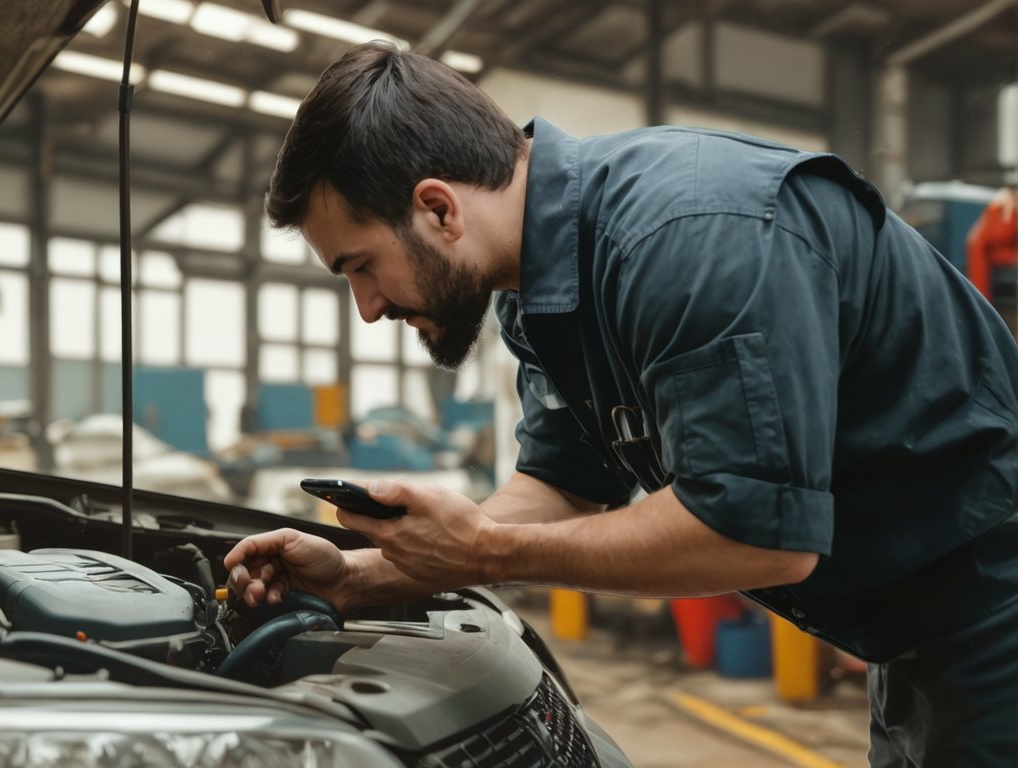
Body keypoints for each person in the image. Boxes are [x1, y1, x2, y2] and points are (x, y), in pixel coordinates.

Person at [225, 41, 1018, 766]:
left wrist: (482, 555)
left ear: (438, 208)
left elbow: (756, 534)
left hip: (995, 610)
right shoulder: (537, 294)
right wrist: (366, 576)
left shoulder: (689, 238)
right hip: (915, 639)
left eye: (360, 266)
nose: (367, 307)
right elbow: (560, 489)